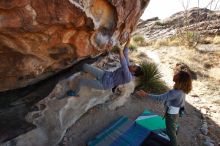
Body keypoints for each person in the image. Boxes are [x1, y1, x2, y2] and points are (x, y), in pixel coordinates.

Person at [67, 38, 143, 97]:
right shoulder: (129, 66)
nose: (132, 65)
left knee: (82, 81)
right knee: (84, 66)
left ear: (133, 72)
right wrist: (129, 39)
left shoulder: (128, 77)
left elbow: (123, 64)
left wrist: (119, 49)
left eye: (134, 67)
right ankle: (75, 68)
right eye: (134, 65)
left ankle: (75, 93)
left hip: (104, 84)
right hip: (105, 74)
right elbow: (125, 53)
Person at [136, 69, 192, 146]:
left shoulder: (175, 92)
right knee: (171, 124)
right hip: (176, 111)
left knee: (171, 132)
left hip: (172, 114)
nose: (174, 74)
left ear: (180, 79)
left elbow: (160, 98)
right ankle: (169, 129)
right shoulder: (181, 89)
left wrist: (146, 95)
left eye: (177, 74)